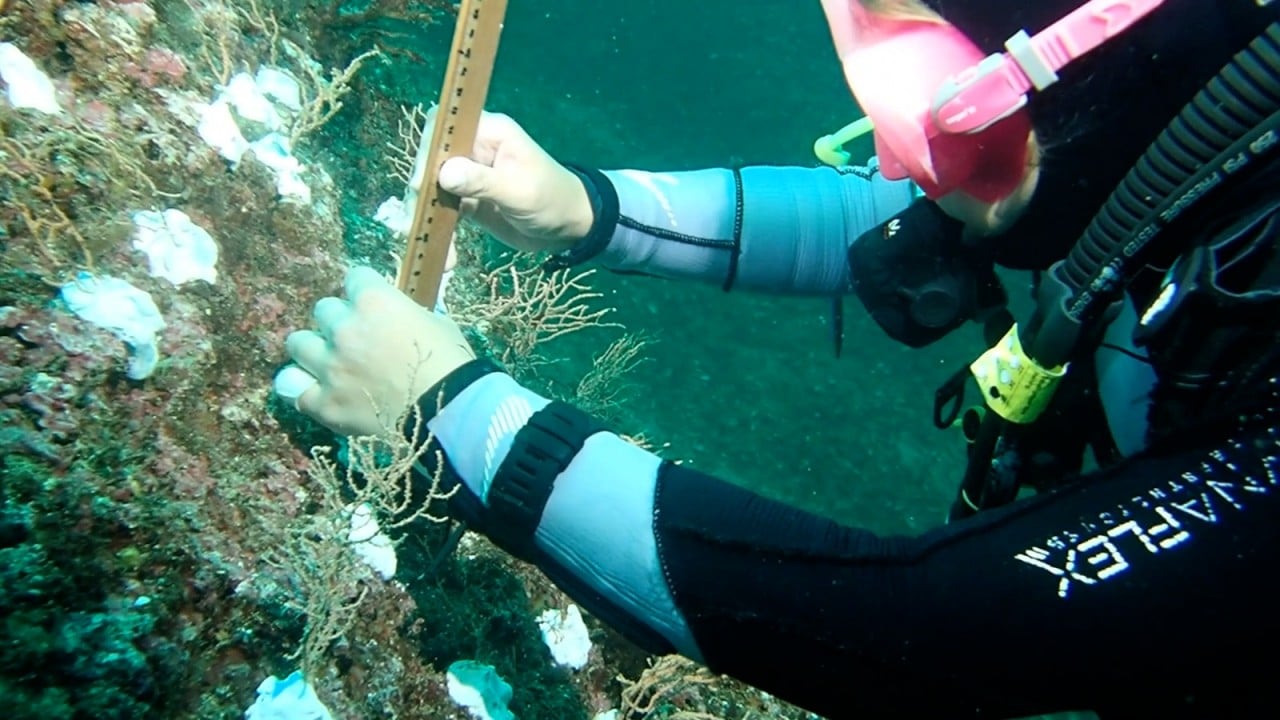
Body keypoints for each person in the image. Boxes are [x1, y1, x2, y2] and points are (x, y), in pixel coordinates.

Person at [274, 0, 1280, 717]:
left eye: (935, 111)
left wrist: (456, 410)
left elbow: (910, 637)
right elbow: (903, 216)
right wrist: (587, 209)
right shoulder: (1166, 143)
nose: (895, 159)